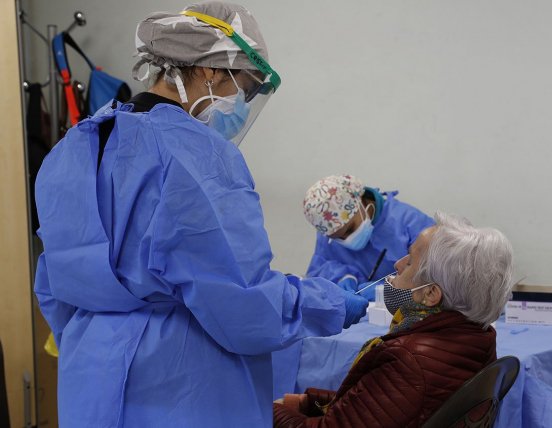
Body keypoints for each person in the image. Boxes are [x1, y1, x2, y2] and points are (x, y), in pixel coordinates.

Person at [33, 3, 367, 427]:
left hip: (90, 378)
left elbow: (52, 287)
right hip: (180, 383)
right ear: (213, 70)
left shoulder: (72, 147)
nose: (241, 102)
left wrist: (103, 338)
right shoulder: (197, 156)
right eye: (243, 87)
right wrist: (332, 304)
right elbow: (243, 303)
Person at [273, 212, 514, 427]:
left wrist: (264, 411)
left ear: (431, 294)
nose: (397, 264)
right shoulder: (477, 336)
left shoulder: (409, 360)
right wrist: (308, 402)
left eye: (409, 261)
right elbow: (384, 406)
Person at [303, 174, 435, 300]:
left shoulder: (410, 223)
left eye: (350, 229)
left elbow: (438, 276)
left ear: (361, 203)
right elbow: (318, 269)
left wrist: (391, 290)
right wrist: (343, 277)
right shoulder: (328, 227)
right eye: (338, 238)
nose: (347, 239)